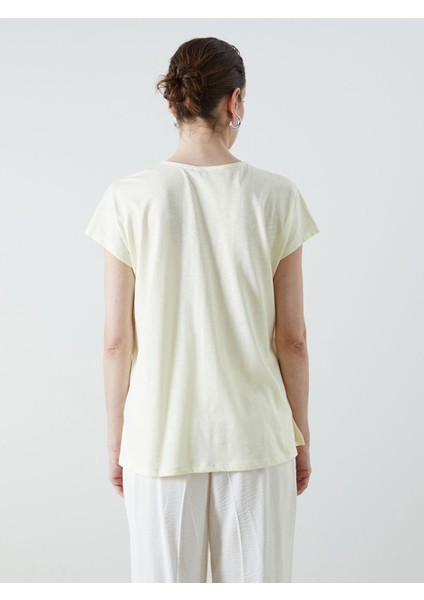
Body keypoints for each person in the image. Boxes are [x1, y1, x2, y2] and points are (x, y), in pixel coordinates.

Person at [84, 36, 320, 583]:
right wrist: (300, 434)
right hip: (257, 437)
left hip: (158, 438)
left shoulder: (128, 197)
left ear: (174, 103)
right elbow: (292, 339)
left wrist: (118, 439)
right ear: (235, 100)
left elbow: (116, 340)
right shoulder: (276, 196)